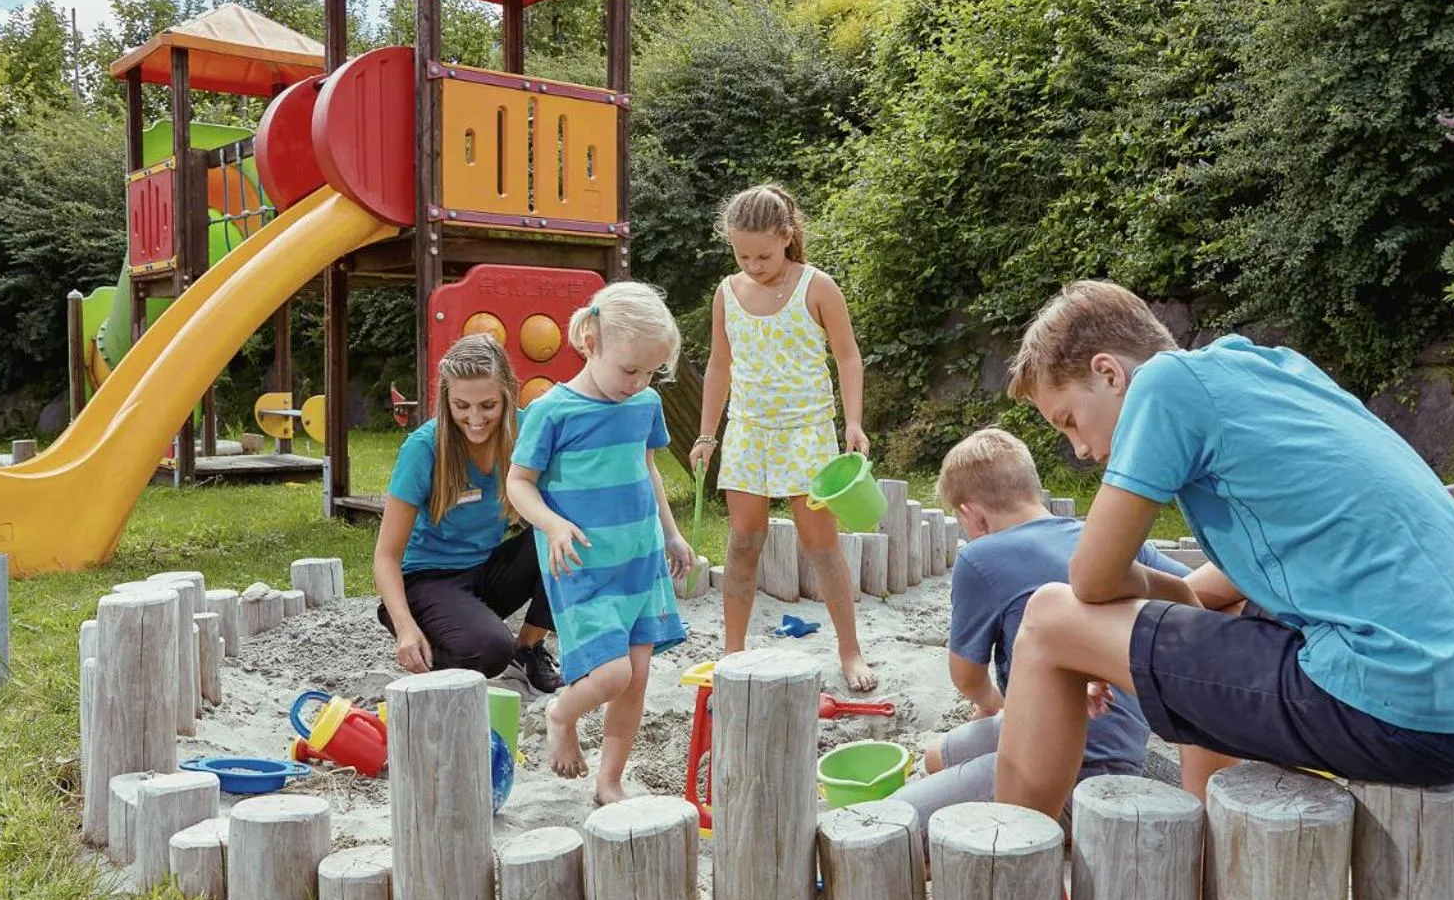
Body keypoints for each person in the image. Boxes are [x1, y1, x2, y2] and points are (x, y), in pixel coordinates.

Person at [994, 280, 1454, 821]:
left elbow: (1089, 579)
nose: (1082, 450)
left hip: (1402, 708)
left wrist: (1128, 614)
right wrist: (1141, 622)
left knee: (1048, 620)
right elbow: (1247, 573)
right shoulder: (1268, 369)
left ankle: (1011, 868)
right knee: (1221, 610)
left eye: (1069, 421)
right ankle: (1207, 840)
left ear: (1108, 373)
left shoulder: (1163, 386)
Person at [897, 427, 1186, 846]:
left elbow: (966, 676)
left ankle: (1044, 830)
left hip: (1085, 771)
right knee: (934, 756)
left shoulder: (980, 556)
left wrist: (993, 704)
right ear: (1035, 489)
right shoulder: (1107, 542)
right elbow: (1198, 591)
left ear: (973, 514)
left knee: (896, 829)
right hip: (1117, 740)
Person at [507, 281, 696, 805]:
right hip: (583, 565)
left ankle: (609, 781)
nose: (639, 383)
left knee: (635, 680)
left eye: (651, 372)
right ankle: (561, 712)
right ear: (590, 341)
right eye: (629, 369)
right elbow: (518, 483)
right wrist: (550, 524)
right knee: (612, 674)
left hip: (640, 562)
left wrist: (673, 532)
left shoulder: (644, 403)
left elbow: (648, 469)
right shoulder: (552, 411)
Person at [691, 184, 877, 692]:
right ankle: (732, 652)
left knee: (821, 546)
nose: (753, 265)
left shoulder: (817, 287)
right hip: (749, 431)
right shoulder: (727, 292)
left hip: (807, 431)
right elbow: (718, 365)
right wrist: (709, 433)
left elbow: (848, 357)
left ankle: (850, 650)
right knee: (744, 542)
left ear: (788, 237)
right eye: (742, 254)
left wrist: (853, 423)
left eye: (764, 255)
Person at [372, 334, 560, 691]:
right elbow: (385, 555)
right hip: (427, 581)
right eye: (462, 406)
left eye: (488, 406)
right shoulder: (424, 448)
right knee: (489, 652)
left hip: (486, 572)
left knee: (573, 532)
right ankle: (431, 638)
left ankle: (529, 647)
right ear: (447, 400)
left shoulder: (526, 431)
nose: (475, 419)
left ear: (507, 394)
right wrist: (405, 626)